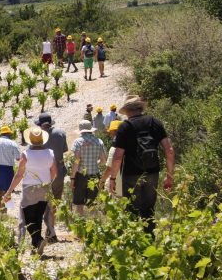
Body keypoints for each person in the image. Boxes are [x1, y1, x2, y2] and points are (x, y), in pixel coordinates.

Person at [105, 95, 175, 236]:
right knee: (148, 210)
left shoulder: (125, 127)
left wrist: (112, 178)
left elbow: (118, 157)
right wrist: (169, 176)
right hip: (152, 172)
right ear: (140, 108)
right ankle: (149, 241)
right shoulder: (154, 122)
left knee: (131, 210)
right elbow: (169, 150)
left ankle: (133, 242)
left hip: (131, 174)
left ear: (127, 110)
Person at [3, 127, 57, 253]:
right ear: (42, 139)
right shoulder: (50, 153)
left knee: (27, 217)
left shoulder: (26, 154)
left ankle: (37, 240)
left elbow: (19, 175)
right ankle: (36, 245)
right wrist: (48, 183)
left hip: (29, 188)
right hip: (45, 187)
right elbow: (54, 171)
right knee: (38, 215)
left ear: (30, 141)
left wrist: (9, 191)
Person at [36, 112, 68, 243]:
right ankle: (51, 229)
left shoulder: (38, 136)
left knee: (43, 202)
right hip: (59, 171)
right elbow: (64, 150)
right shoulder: (61, 133)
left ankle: (49, 230)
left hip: (43, 172)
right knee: (54, 201)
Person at [70, 120, 107, 215]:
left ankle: (80, 221)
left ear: (81, 130)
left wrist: (72, 178)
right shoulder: (99, 141)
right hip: (94, 176)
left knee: (79, 203)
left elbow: (76, 161)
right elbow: (103, 161)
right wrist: (95, 164)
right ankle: (93, 222)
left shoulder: (78, 142)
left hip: (81, 176)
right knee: (93, 203)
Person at [100, 120, 123, 196]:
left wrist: (102, 181)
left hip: (119, 185)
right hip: (132, 183)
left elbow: (110, 169)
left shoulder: (114, 148)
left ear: (114, 131)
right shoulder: (131, 145)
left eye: (110, 132)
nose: (110, 134)